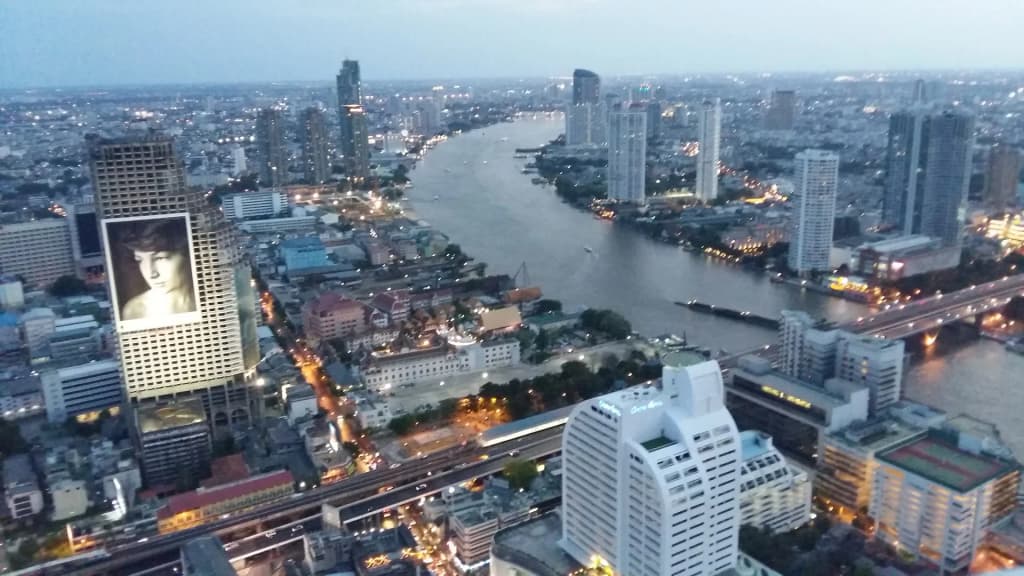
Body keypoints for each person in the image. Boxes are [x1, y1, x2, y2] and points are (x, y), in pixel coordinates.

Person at [117, 219, 195, 321]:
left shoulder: (210, 299)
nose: (151, 274)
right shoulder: (134, 310)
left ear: (187, 256)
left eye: (160, 258)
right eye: (139, 260)